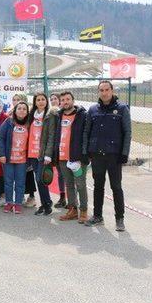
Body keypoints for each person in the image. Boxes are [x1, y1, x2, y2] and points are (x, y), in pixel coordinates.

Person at [83, 80, 132, 231]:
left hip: (114, 156)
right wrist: (86, 152)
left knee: (116, 187)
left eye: (106, 90)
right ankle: (98, 216)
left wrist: (124, 154)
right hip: (97, 155)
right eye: (101, 90)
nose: (104, 93)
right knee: (98, 186)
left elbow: (127, 133)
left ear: (112, 90)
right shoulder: (93, 110)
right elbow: (86, 132)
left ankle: (119, 219)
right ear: (98, 92)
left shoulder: (122, 109)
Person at [51, 91, 89, 223]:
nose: (65, 102)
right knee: (69, 184)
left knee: (80, 184)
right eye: (63, 100)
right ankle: (73, 209)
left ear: (73, 100)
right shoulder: (58, 116)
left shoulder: (82, 115)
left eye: (68, 99)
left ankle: (83, 210)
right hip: (62, 157)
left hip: (76, 157)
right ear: (60, 102)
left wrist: (84, 155)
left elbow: (86, 136)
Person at [0, 101, 30, 214]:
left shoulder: (29, 124)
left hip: (22, 160)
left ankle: (18, 203)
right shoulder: (8, 122)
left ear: (27, 111)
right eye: (19, 108)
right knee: (8, 182)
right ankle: (9, 202)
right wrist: (1, 154)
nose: (21, 110)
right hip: (8, 158)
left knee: (20, 182)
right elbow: (0, 138)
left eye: (24, 109)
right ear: (15, 111)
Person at [28, 92, 57, 216]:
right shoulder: (31, 116)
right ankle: (45, 203)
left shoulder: (50, 116)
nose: (40, 102)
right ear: (35, 102)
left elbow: (51, 136)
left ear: (46, 101)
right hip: (32, 152)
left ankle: (47, 204)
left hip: (42, 153)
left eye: (43, 99)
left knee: (40, 179)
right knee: (38, 179)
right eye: (38, 100)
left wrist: (48, 154)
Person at [49, 92, 67, 209]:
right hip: (57, 148)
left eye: (55, 98)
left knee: (70, 175)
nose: (53, 100)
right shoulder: (52, 114)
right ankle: (62, 197)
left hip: (67, 148)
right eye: (51, 99)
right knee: (60, 174)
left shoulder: (65, 113)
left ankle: (73, 199)